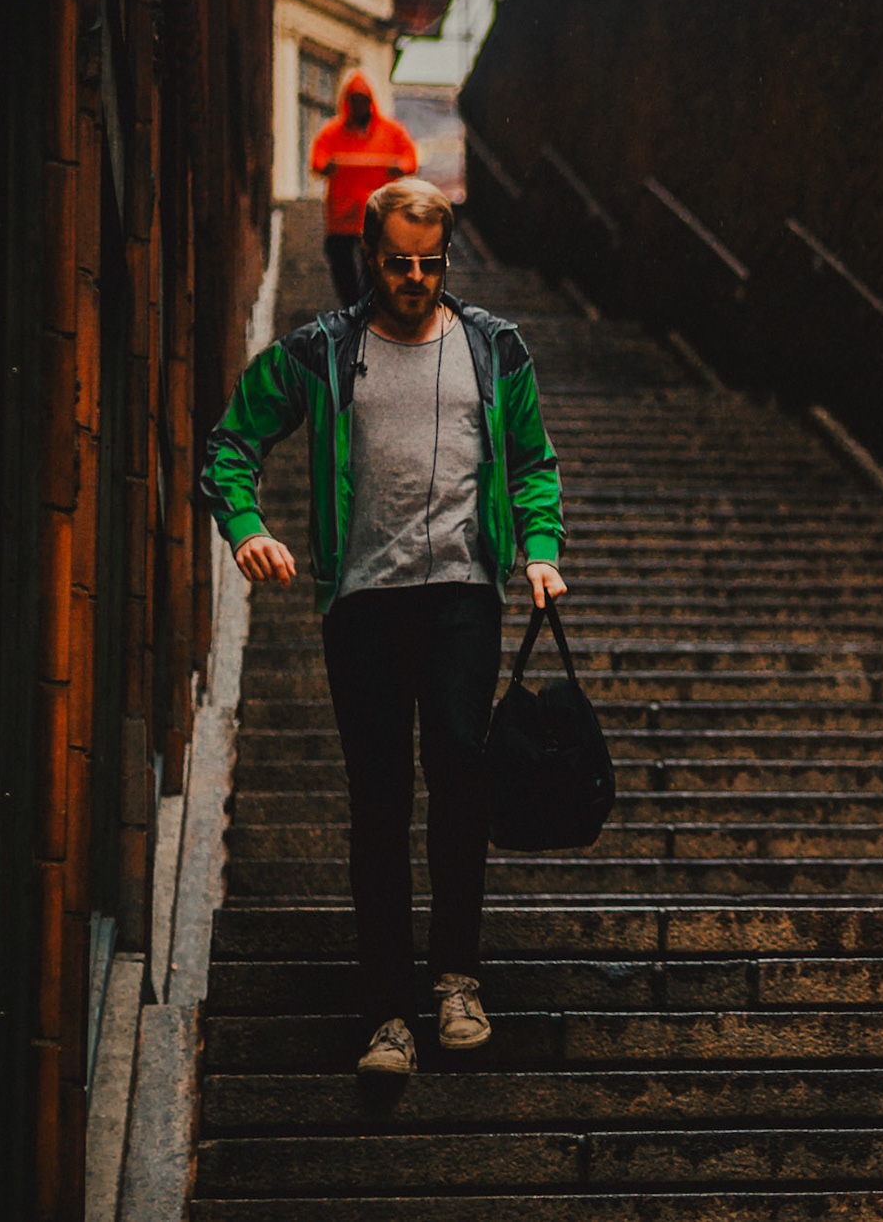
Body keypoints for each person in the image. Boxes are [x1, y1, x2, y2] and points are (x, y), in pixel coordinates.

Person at [199, 178, 566, 1075]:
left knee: (457, 762)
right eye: (398, 261)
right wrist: (246, 527)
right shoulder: (323, 352)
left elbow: (532, 462)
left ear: (448, 257)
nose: (414, 277)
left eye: (430, 262)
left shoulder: (494, 349)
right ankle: (387, 1016)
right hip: (362, 604)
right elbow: (228, 445)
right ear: (370, 255)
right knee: (378, 800)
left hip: (462, 597)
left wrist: (542, 548)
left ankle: (456, 982)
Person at [310, 71, 420, 307]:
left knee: (376, 263)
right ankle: (352, 306)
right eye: (354, 100)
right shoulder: (333, 132)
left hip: (377, 214)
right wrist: (325, 165)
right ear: (347, 103)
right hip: (343, 214)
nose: (359, 106)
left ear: (371, 102)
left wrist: (399, 165)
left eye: (363, 100)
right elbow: (318, 158)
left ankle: (370, 306)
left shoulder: (391, 131)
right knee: (341, 263)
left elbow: (410, 157)